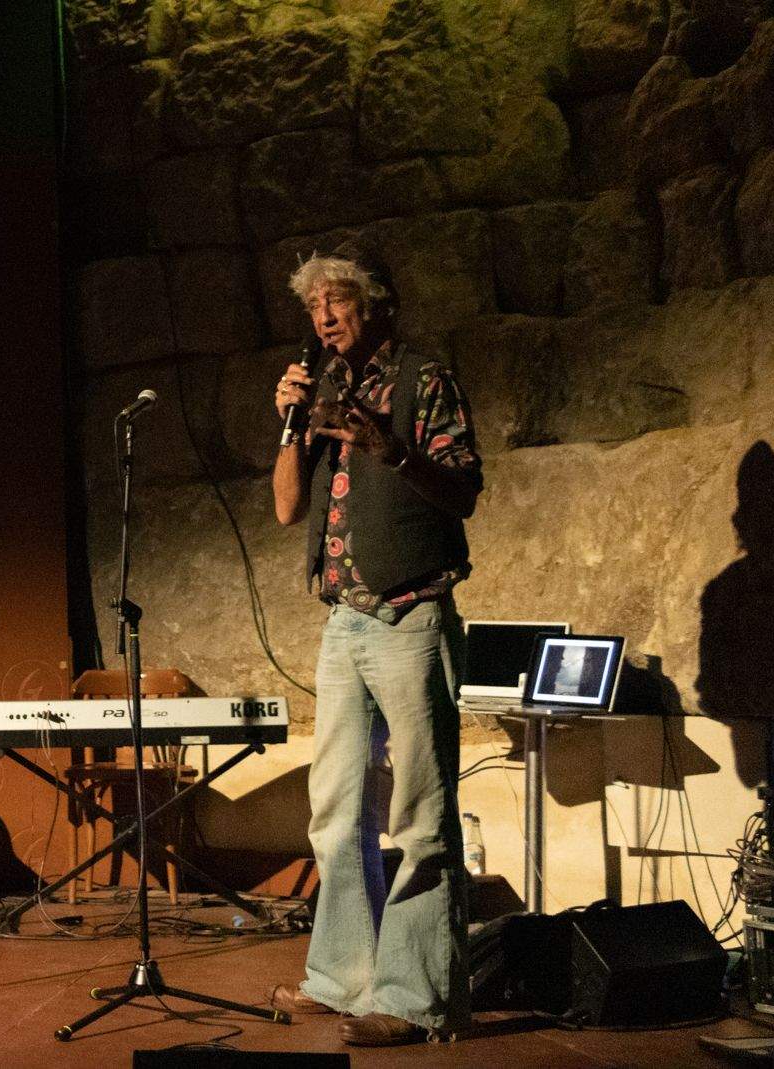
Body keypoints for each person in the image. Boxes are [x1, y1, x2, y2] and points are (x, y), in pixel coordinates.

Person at [266, 243, 484, 1046]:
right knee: (336, 810)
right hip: (344, 620)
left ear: (377, 302)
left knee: (421, 815)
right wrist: (288, 423)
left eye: (337, 300)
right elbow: (290, 509)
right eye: (313, 305)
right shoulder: (325, 390)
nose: (323, 316)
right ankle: (344, 976)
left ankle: (415, 996)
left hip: (411, 614)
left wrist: (393, 449)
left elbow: (464, 489)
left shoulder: (425, 379)